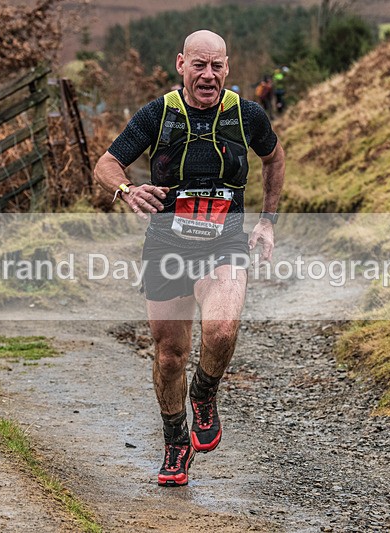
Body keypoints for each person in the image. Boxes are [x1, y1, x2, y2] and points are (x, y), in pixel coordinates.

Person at [93, 29, 285, 487]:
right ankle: (176, 441)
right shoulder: (158, 115)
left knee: (221, 329)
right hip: (167, 246)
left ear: (227, 68)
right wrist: (127, 190)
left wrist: (267, 221)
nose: (208, 75)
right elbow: (106, 164)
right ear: (181, 64)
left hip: (224, 242)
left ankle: (204, 393)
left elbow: (274, 160)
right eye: (199, 65)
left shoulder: (247, 115)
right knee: (169, 357)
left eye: (217, 65)